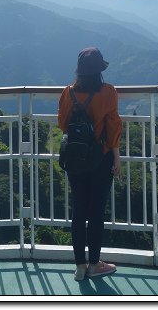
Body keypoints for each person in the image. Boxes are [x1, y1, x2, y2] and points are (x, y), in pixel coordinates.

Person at [58, 47, 123, 281]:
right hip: (100, 158)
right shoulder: (108, 92)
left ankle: (80, 267)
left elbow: (63, 123)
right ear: (99, 71)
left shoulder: (68, 93)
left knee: (79, 210)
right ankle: (95, 264)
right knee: (96, 211)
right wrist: (116, 157)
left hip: (75, 158)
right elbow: (114, 126)